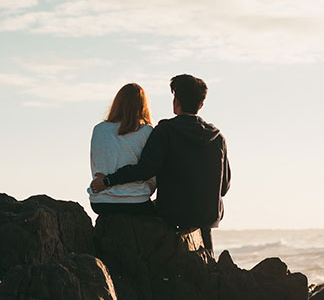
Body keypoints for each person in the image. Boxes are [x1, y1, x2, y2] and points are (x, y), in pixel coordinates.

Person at [90, 74, 231, 254]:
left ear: (175, 102)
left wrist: (108, 181)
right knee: (199, 219)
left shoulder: (165, 131)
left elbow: (145, 169)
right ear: (201, 105)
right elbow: (224, 186)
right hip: (208, 215)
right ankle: (209, 259)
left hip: (173, 213)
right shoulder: (218, 137)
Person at [88, 83, 157, 216]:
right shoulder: (146, 131)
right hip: (136, 201)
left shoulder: (99, 129)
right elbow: (151, 171)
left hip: (100, 202)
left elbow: (96, 166)